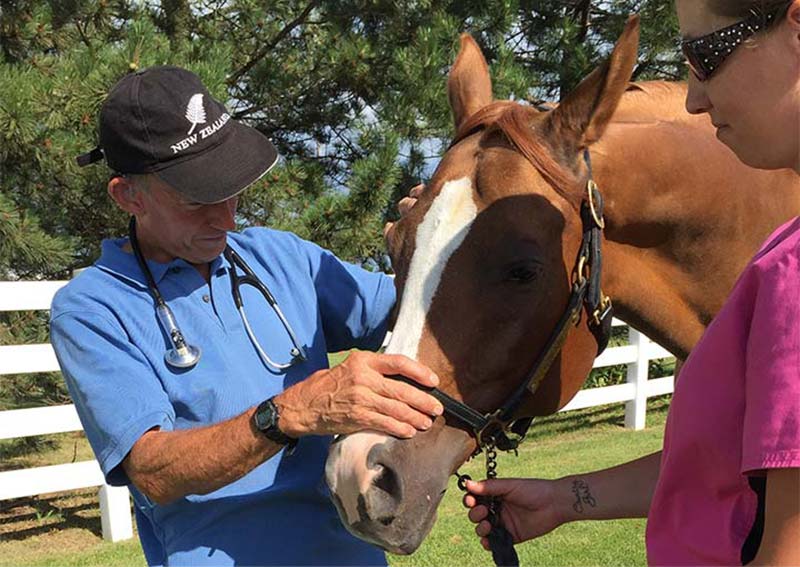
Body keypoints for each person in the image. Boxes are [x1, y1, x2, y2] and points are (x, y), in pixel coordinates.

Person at [50, 65, 445, 567]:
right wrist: (289, 413)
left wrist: (429, 245)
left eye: (231, 188)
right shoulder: (93, 309)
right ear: (128, 195)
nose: (228, 218)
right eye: (197, 200)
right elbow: (152, 470)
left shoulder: (279, 256)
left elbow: (416, 314)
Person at [463, 1, 800, 564]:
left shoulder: (791, 273)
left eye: (705, 56)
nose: (694, 97)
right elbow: (735, 469)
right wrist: (565, 498)